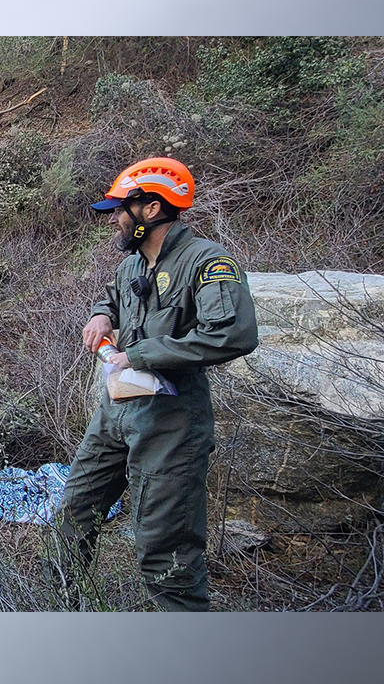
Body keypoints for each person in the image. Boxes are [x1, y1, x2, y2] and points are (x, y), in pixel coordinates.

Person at [55, 157, 258, 611]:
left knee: (165, 554)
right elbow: (113, 295)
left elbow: (233, 335)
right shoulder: (133, 266)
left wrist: (142, 353)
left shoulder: (207, 262)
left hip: (172, 424)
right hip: (117, 411)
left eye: (119, 210)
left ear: (151, 209)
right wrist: (101, 314)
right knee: (72, 517)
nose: (114, 221)